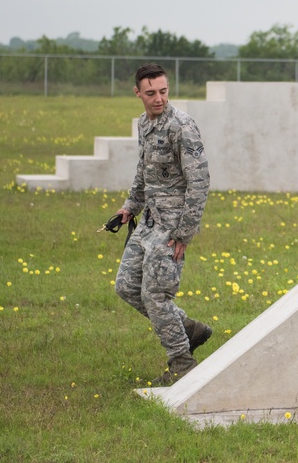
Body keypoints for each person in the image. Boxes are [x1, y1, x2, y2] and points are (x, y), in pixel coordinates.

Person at [114, 63, 212, 385]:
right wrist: (131, 206)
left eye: (164, 91)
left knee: (155, 296)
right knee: (126, 286)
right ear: (138, 93)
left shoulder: (181, 125)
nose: (159, 99)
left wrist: (184, 232)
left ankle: (181, 362)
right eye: (151, 93)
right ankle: (188, 329)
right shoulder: (144, 123)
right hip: (148, 224)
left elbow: (199, 182)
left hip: (171, 228)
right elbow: (144, 171)